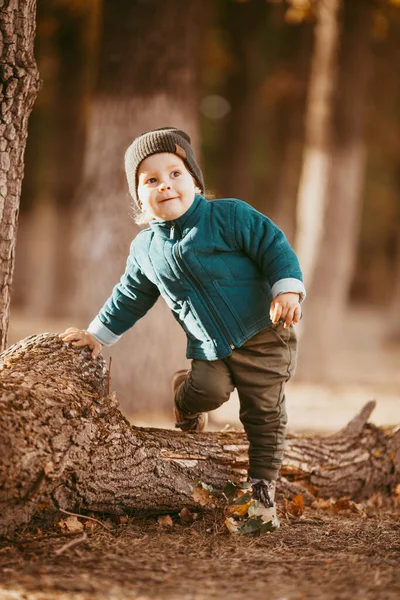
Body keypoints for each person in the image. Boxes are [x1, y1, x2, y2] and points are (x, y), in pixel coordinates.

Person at [59, 127, 306, 527]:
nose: (166, 186)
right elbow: (129, 296)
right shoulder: (145, 249)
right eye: (151, 180)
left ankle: (261, 492)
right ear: (139, 196)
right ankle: (183, 397)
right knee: (206, 391)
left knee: (263, 413)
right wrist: (96, 334)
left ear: (194, 179)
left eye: (175, 174)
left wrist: (287, 291)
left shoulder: (229, 216)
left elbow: (274, 246)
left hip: (264, 331)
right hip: (208, 345)